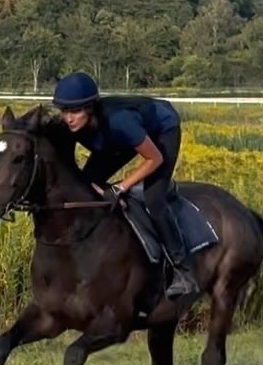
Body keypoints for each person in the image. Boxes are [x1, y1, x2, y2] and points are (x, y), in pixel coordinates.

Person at [51, 71, 200, 299]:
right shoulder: (72, 126)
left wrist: (120, 187)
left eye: (75, 111)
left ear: (90, 108)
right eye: (65, 111)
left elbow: (154, 158)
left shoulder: (120, 121)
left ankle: (184, 271)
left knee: (154, 198)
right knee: (85, 185)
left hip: (161, 130)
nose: (69, 118)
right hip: (117, 140)